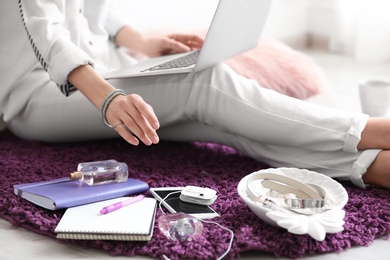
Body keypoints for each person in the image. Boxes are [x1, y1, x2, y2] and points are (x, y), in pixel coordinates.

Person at [0, 0, 389, 189]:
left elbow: (96, 11)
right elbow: (47, 35)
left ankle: (370, 167)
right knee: (201, 84)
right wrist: (109, 98)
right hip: (35, 94)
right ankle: (373, 130)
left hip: (102, 67)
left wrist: (143, 42)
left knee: (219, 119)